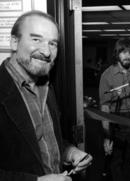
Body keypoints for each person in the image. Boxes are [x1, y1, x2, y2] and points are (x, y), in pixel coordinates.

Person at [0, 11, 92, 181]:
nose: (47, 52)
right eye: (36, 39)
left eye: (53, 43)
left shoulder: (47, 88)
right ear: (14, 42)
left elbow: (44, 142)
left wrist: (70, 152)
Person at [99, 38, 130, 181]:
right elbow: (104, 107)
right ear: (117, 53)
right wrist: (107, 135)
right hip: (115, 119)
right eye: (123, 52)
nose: (127, 56)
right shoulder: (107, 75)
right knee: (116, 161)